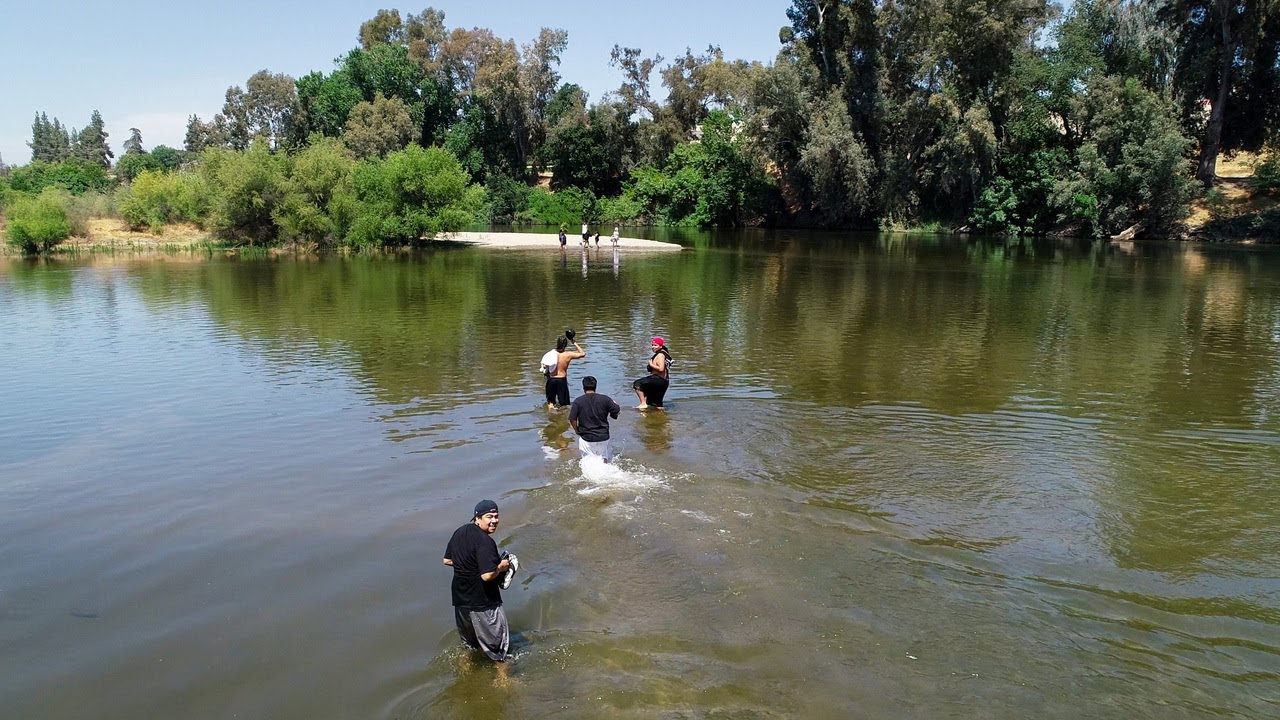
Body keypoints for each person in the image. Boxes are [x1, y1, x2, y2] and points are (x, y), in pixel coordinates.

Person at [443, 499, 514, 662]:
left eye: (496, 516)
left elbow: (447, 560)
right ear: (477, 518)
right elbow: (487, 576)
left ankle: (465, 670)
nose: (494, 521)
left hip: (460, 601)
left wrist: (470, 565)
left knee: (470, 647)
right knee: (499, 648)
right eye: (489, 516)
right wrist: (502, 567)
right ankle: (504, 681)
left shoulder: (459, 532)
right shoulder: (485, 541)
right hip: (484, 603)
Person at [569, 375, 621, 462]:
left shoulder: (578, 401)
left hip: (586, 437)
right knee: (603, 459)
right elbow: (617, 410)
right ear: (595, 387)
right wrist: (614, 403)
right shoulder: (605, 399)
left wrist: (576, 430)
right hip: (603, 436)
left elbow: (572, 419)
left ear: (583, 387)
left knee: (587, 462)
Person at [546, 330, 584, 408]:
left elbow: (544, 366)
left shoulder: (551, 354)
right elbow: (582, 354)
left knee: (550, 403)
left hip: (551, 380)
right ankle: (562, 419)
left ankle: (550, 418)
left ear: (557, 343)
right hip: (561, 380)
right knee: (564, 405)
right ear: (566, 345)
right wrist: (574, 342)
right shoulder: (568, 355)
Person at [633, 336, 672, 410]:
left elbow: (661, 369)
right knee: (656, 404)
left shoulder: (660, 355)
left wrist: (651, 365)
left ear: (660, 346)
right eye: (652, 345)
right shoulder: (662, 353)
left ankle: (643, 404)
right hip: (663, 382)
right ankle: (662, 418)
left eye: (655, 345)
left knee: (637, 384)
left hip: (658, 380)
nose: (653, 347)